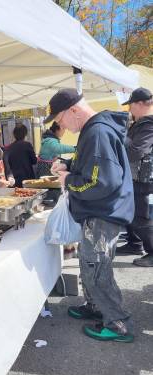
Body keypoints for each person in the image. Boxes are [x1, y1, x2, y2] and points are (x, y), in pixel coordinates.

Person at [46, 88, 135, 342]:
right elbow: (94, 165)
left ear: (73, 110)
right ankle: (94, 306)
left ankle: (118, 323)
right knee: (89, 264)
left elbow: (101, 182)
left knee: (97, 269)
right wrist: (69, 164)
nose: (60, 125)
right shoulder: (95, 129)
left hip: (103, 213)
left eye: (60, 119)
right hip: (100, 212)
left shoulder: (97, 131)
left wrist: (68, 179)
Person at [115, 88, 153, 266]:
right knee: (130, 212)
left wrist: (121, 135)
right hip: (136, 176)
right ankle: (134, 243)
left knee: (141, 217)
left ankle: (151, 252)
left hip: (143, 179)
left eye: (130, 104)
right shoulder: (140, 123)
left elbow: (136, 152)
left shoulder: (148, 124)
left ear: (139, 104)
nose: (129, 108)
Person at [5, 123, 37, 187]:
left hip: (15, 180)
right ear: (25, 134)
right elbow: (34, 161)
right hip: (28, 179)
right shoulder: (27, 145)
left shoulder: (9, 148)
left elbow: (8, 164)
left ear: (14, 135)